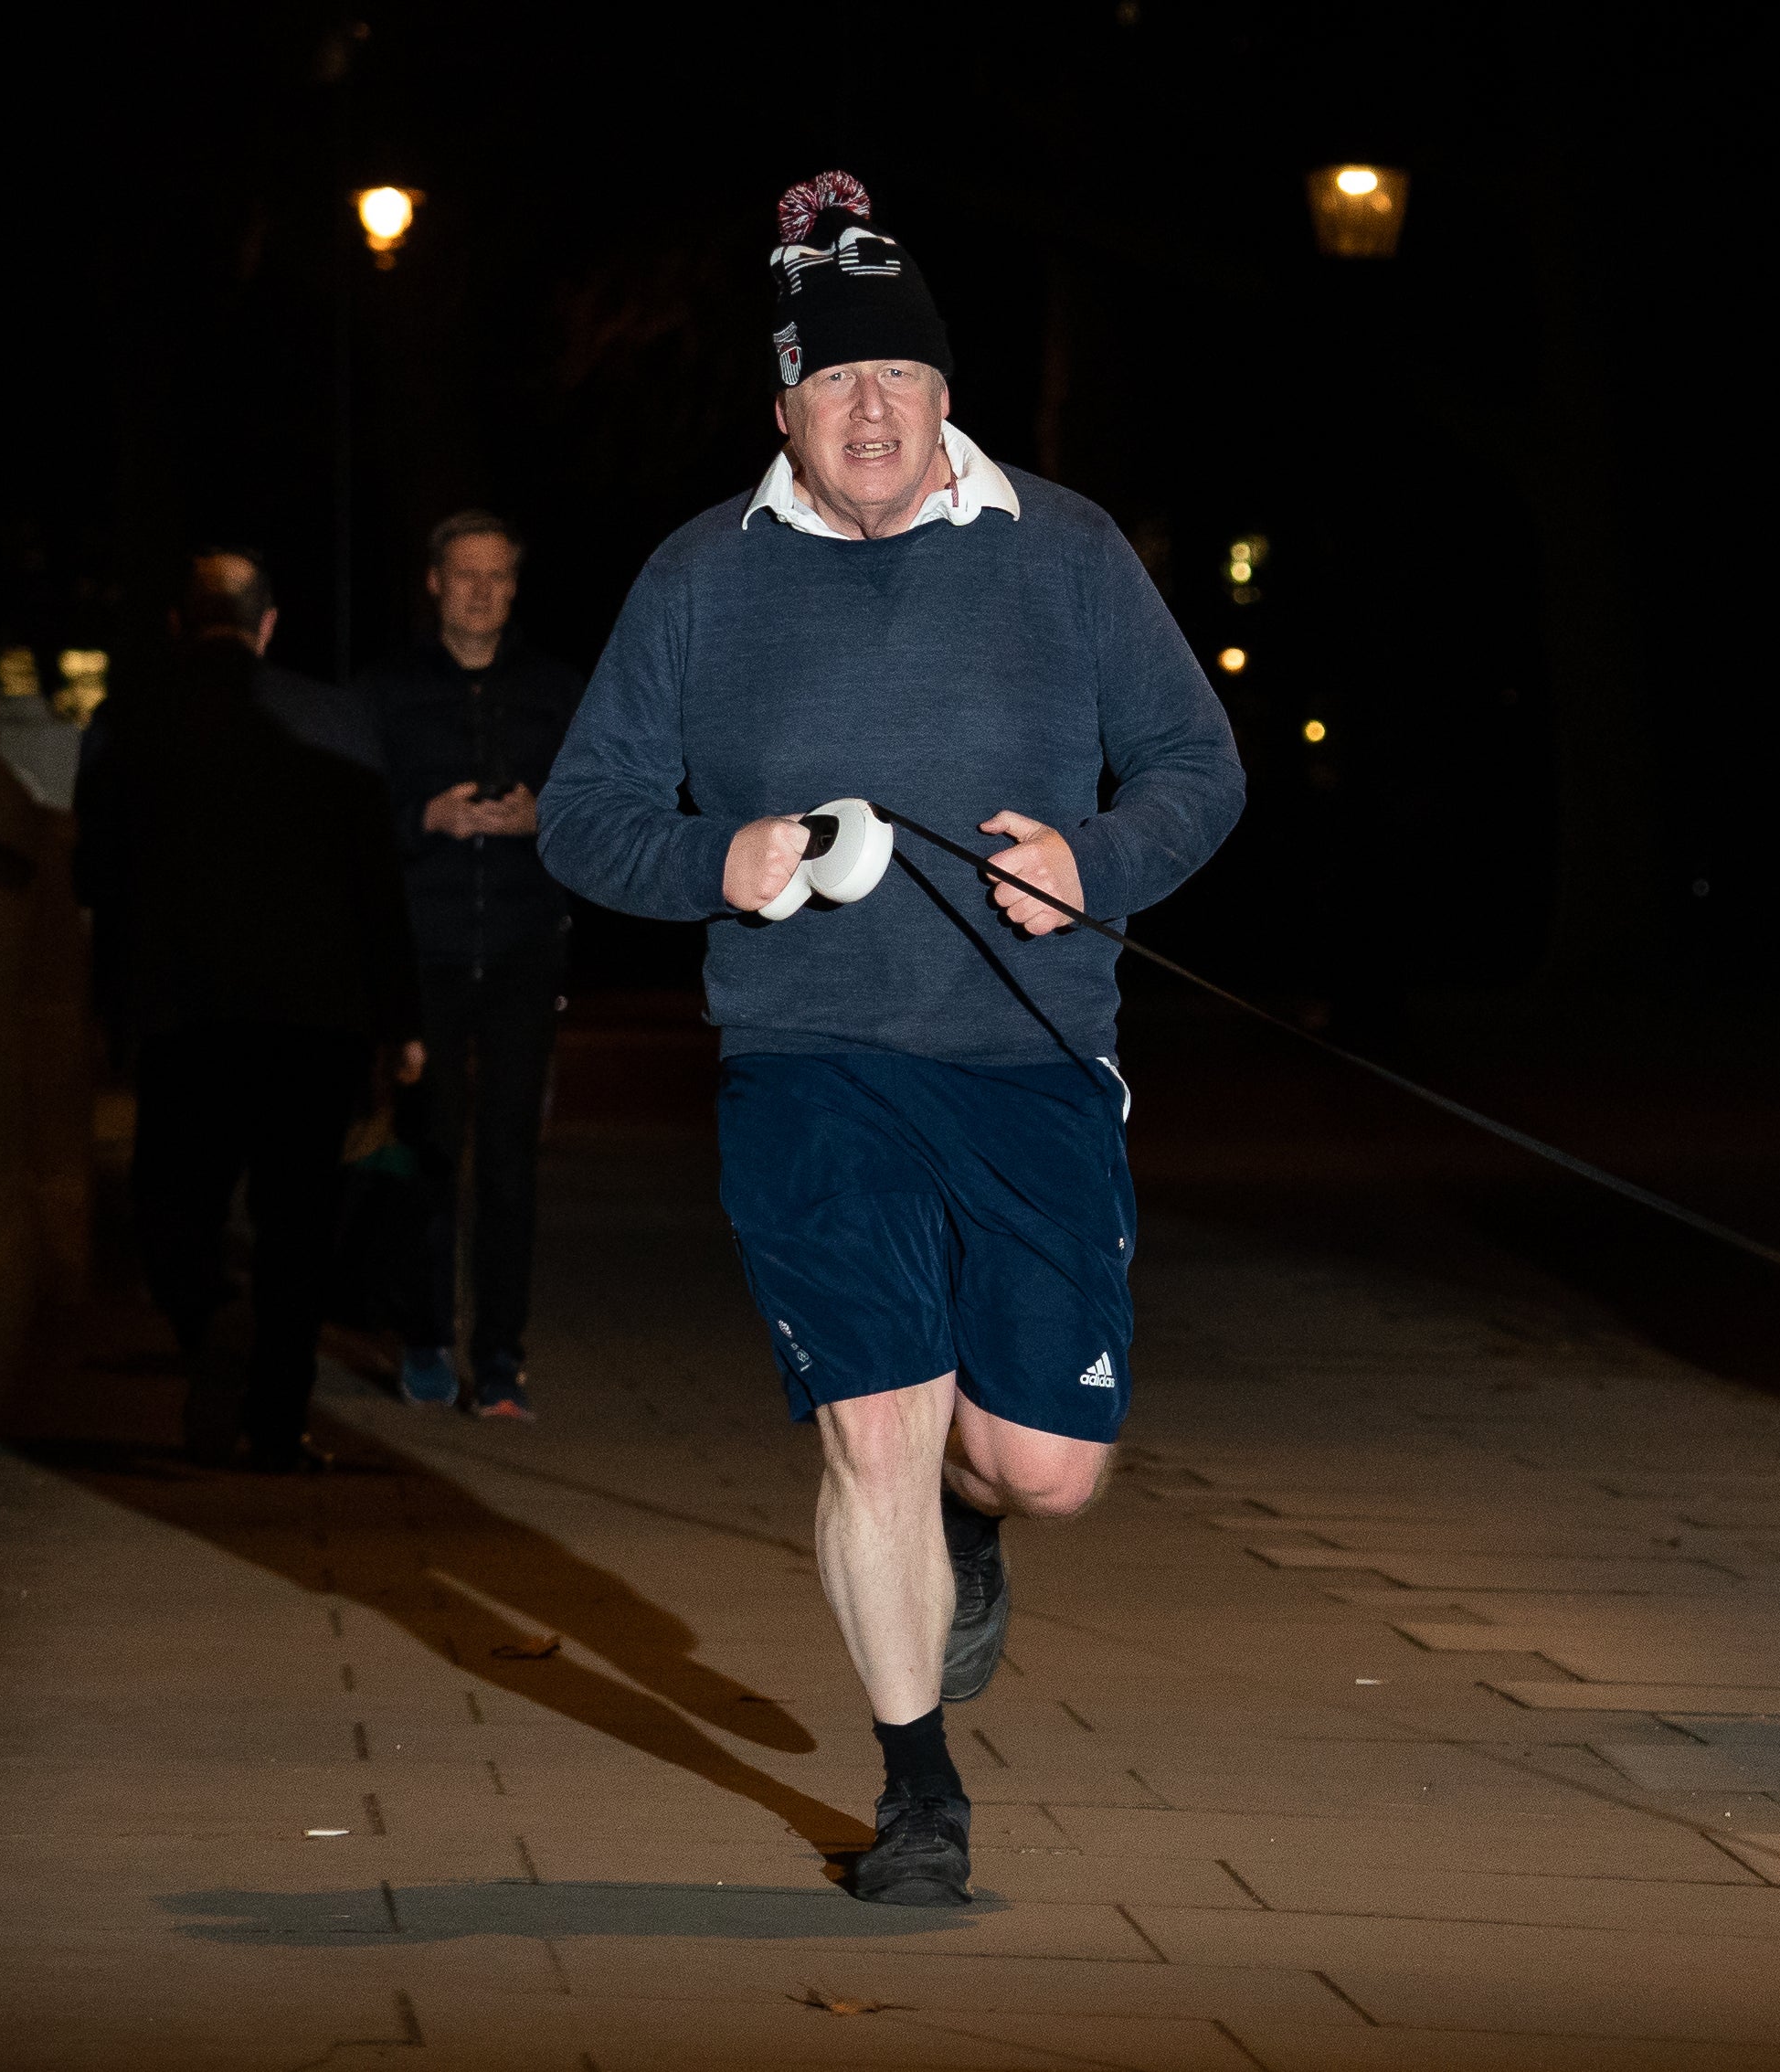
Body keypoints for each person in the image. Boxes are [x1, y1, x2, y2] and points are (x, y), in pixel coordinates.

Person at [537, 173, 1244, 1905]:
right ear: (784, 409)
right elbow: (584, 814)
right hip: (808, 1063)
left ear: (947, 397)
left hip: (1027, 1060)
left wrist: (1095, 860)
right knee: (875, 1421)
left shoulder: (1067, 551)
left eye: (904, 381)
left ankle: (973, 1519)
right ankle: (920, 1792)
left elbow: (1197, 769)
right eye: (838, 384)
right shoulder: (700, 576)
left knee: (1042, 1463)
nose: (875, 410)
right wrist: (723, 860)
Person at [72, 547, 419, 1471]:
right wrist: (400, 1019)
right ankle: (276, 1425)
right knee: (296, 1222)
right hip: (317, 1015)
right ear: (267, 626)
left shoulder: (124, 722)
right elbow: (377, 884)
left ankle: (209, 1314)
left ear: (180, 623)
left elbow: (93, 877)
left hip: (186, 1012)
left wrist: (114, 1002)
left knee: (172, 1205)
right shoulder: (336, 721)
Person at [359, 512, 585, 1419]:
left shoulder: (558, 691)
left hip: (526, 947)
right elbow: (343, 823)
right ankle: (423, 1337)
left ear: (515, 586)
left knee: (510, 1166)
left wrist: (545, 819)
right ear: (433, 581)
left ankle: (498, 1361)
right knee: (431, 1150)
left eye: (497, 575)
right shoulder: (380, 692)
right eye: (464, 574)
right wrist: (425, 819)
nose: (481, 591)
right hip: (425, 950)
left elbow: (610, 811)